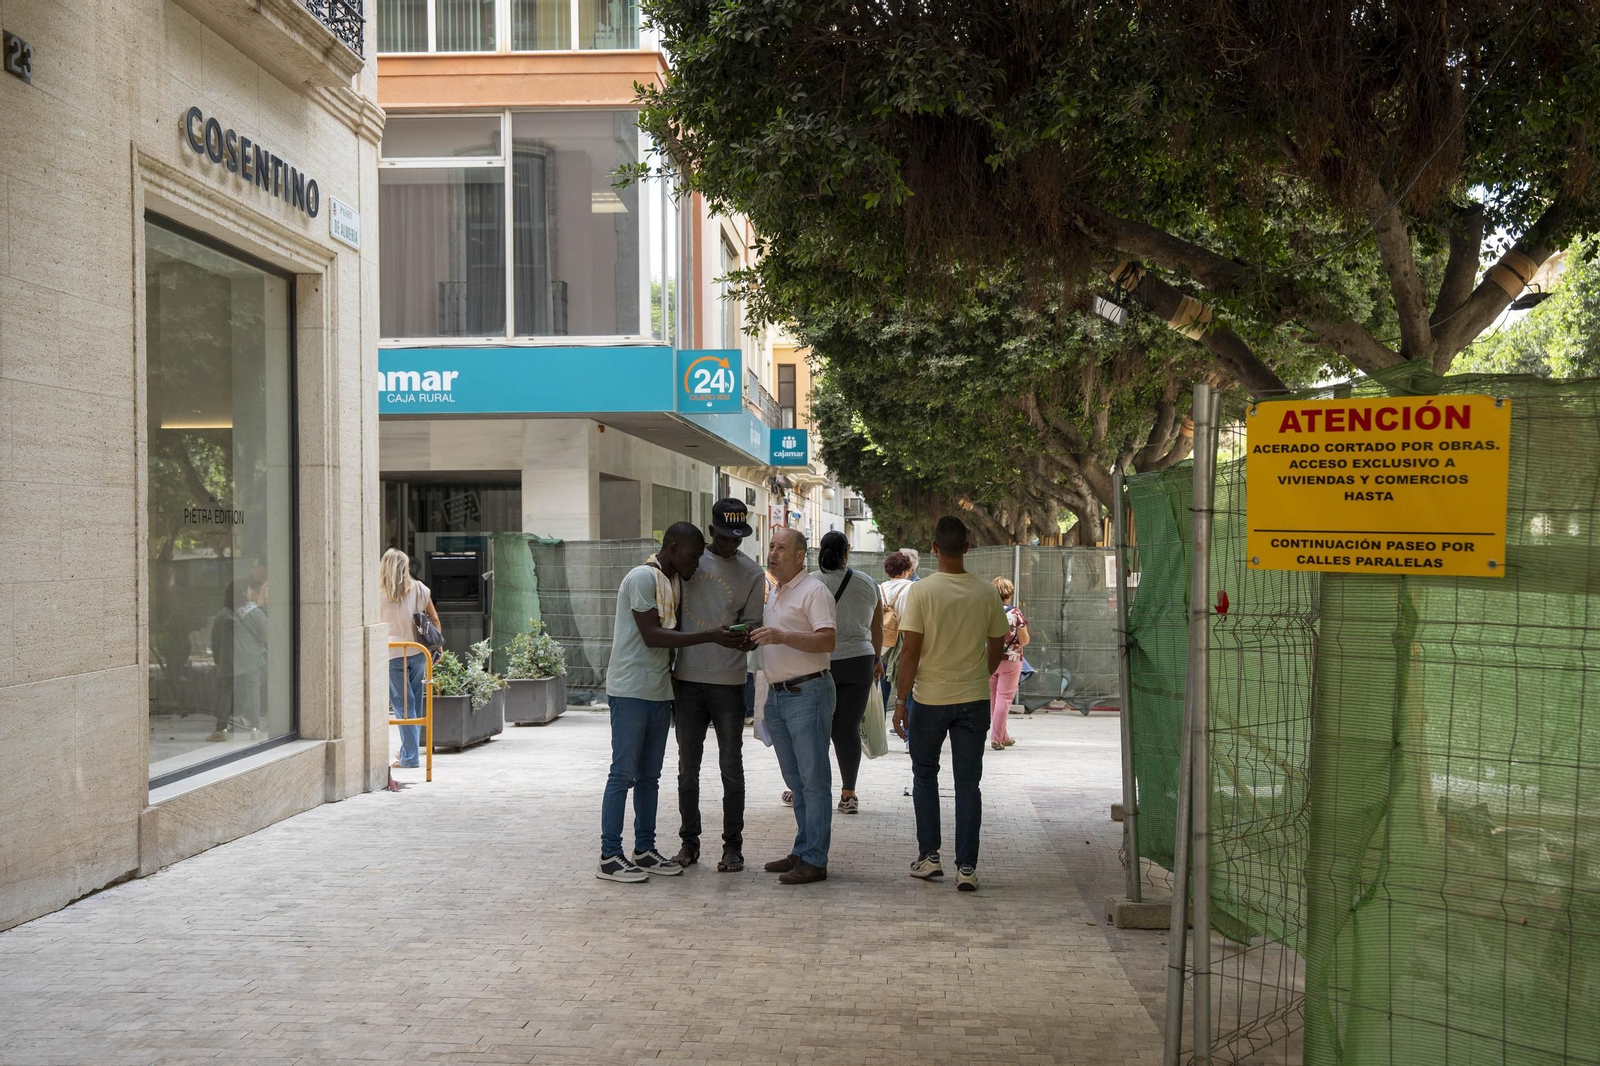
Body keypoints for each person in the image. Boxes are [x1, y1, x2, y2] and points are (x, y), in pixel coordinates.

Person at [599, 522, 746, 883]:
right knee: (623, 774)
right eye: (695, 556)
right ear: (675, 548)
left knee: (650, 776)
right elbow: (652, 635)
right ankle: (609, 855)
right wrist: (710, 636)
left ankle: (644, 850)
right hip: (631, 690)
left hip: (658, 691)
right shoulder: (642, 579)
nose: (698, 563)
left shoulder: (674, 583)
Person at [892, 516, 1009, 893]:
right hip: (973, 699)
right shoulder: (986, 593)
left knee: (925, 776)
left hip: (929, 698)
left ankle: (929, 858)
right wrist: (977, 673)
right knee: (968, 784)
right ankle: (967, 867)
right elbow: (996, 647)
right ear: (968, 548)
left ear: (934, 549)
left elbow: (910, 652)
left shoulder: (921, 592)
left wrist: (900, 701)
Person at [671, 498, 764, 873]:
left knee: (731, 767)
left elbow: (755, 627)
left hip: (728, 681)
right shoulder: (689, 562)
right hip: (688, 680)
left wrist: (747, 637)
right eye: (725, 537)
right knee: (686, 767)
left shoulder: (752, 573)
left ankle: (733, 848)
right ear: (711, 531)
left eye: (738, 538)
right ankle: (689, 843)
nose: (731, 545)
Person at [751, 527, 838, 885]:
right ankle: (803, 850)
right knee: (796, 781)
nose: (772, 553)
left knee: (814, 781)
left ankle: (815, 860)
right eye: (771, 546)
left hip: (808, 693)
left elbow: (827, 639)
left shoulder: (814, 590)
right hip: (778, 696)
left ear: (800, 555)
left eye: (781, 548)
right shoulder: (775, 592)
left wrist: (781, 636)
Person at [814, 531, 883, 814]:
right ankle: (848, 794)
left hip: (822, 661)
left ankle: (807, 789)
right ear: (848, 552)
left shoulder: (812, 583)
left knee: (815, 730)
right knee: (847, 730)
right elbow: (877, 628)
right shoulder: (868, 583)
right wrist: (877, 658)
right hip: (860, 661)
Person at [379, 548, 443, 769]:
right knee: (414, 703)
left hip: (392, 654)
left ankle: (410, 757)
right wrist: (437, 647)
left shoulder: (375, 592)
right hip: (418, 652)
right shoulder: (419, 589)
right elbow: (434, 619)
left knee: (402, 705)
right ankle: (409, 753)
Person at [989, 577, 1030, 750]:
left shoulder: (986, 611)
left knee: (994, 699)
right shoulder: (1015, 613)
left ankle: (1003, 735)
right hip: (1010, 660)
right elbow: (1024, 640)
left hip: (989, 659)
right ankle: (997, 737)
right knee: (1004, 699)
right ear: (1009, 593)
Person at [878, 551, 916, 705]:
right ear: (907, 570)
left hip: (883, 646)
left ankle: (879, 728)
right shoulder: (912, 588)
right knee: (908, 692)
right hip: (904, 646)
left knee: (882, 694)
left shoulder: (879, 588)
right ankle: (908, 728)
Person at [206, 583, 237, 743]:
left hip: (227, 662)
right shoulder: (234, 615)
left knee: (224, 693)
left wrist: (218, 660)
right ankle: (222, 727)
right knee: (228, 694)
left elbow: (215, 641)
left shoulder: (223, 615)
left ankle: (221, 727)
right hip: (235, 662)